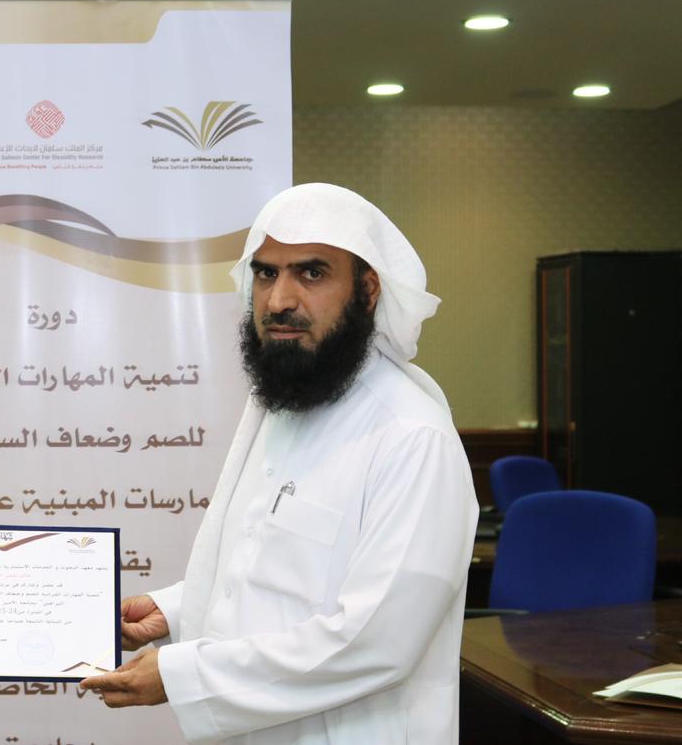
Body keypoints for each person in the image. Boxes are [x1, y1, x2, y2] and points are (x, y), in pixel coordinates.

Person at [82, 183, 478, 743]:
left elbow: (376, 642)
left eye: (311, 273)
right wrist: (175, 610)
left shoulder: (412, 437)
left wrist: (183, 676)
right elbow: (268, 570)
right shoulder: (283, 407)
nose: (278, 300)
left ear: (368, 290)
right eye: (266, 273)